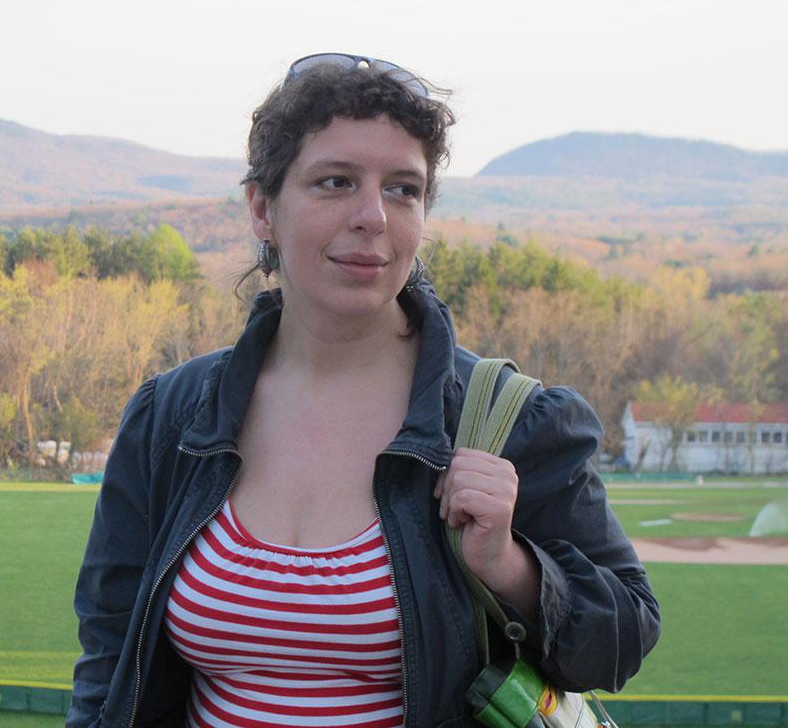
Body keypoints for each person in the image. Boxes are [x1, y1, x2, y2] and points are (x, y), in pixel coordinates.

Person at [69, 53, 660, 728]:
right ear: (262, 208)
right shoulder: (172, 418)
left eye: (403, 189)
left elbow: (623, 642)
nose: (373, 215)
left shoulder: (508, 421)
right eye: (336, 182)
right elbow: (109, 660)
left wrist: (509, 567)